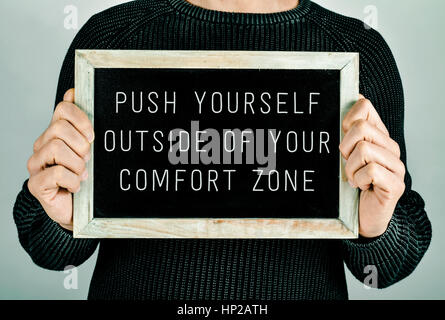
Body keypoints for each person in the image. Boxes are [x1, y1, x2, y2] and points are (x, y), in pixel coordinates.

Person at [13, 0, 431, 300]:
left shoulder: (359, 52)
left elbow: (387, 270)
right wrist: (63, 220)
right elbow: (50, 253)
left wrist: (378, 227)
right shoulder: (109, 41)